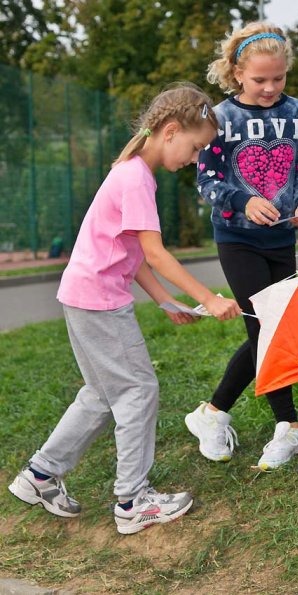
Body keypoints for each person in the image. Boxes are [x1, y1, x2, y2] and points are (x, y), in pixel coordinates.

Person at [8, 84, 241, 535]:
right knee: (137, 391)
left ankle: (39, 476)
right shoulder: (135, 178)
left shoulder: (132, 173)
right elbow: (155, 254)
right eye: (195, 149)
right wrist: (211, 298)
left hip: (82, 297)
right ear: (171, 131)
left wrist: (165, 301)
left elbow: (131, 255)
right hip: (98, 303)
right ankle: (133, 500)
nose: (194, 160)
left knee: (101, 395)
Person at [185, 23, 298, 471]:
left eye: (278, 78)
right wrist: (243, 199)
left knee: (272, 328)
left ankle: (213, 413)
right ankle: (289, 425)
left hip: (282, 238)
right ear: (237, 73)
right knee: (266, 325)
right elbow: (206, 180)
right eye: (259, 79)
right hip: (237, 238)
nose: (269, 88)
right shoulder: (218, 118)